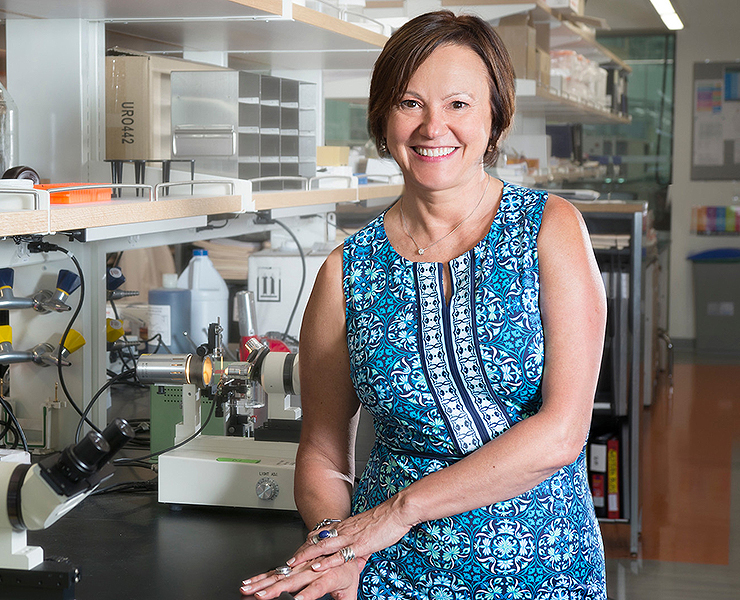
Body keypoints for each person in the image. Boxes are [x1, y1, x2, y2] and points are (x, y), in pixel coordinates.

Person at [241, 9, 607, 600]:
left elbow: (563, 433)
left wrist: (398, 511)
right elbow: (323, 453)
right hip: (388, 574)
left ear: (495, 116)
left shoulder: (551, 230)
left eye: (458, 104)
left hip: (547, 569)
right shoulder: (345, 271)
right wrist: (337, 546)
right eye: (410, 103)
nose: (434, 127)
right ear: (383, 118)